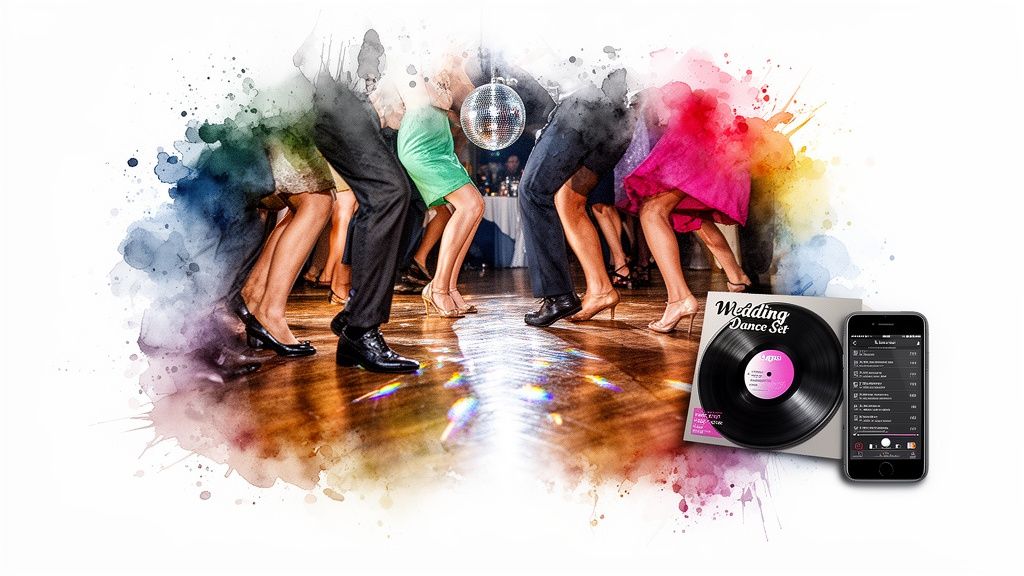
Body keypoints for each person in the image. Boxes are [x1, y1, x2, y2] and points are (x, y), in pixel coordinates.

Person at [300, 29, 420, 373]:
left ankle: (357, 323)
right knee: (388, 192)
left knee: (388, 194)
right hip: (326, 89)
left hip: (346, 95)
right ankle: (359, 327)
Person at [624, 82, 754, 334]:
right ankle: (737, 277)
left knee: (652, 212)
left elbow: (680, 92)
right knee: (689, 215)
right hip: (709, 131)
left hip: (696, 132)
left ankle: (679, 299)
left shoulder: (679, 77)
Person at [516, 69, 636, 326]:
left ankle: (557, 296)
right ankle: (601, 289)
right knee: (569, 200)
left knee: (532, 191)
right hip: (620, 116)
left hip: (582, 106)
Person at [236, 115, 336, 356]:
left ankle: (254, 297)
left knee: (304, 204)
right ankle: (269, 313)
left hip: (279, 114)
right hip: (284, 114)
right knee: (317, 202)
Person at [397, 54, 485, 318]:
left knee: (476, 207)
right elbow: (434, 100)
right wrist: (448, 70)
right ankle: (437, 288)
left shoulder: (441, 64)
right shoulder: (410, 58)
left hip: (441, 145)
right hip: (420, 144)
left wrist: (457, 68)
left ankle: (449, 287)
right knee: (470, 205)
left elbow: (465, 101)